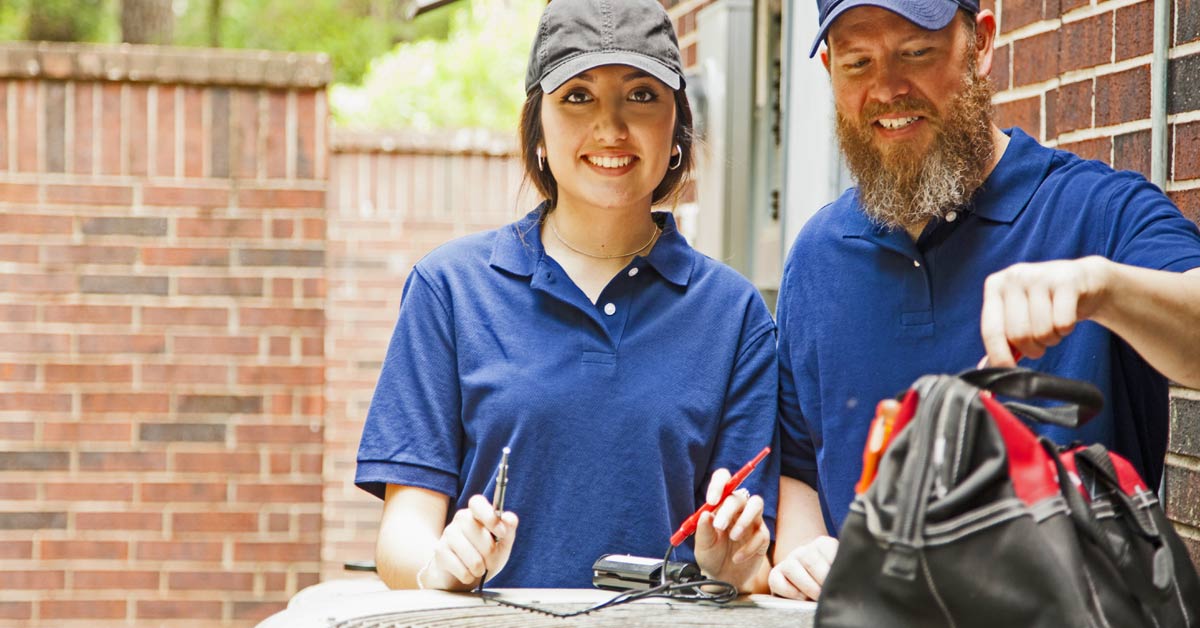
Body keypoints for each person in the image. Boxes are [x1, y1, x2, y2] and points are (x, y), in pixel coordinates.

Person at [769, 0, 1200, 600]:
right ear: (829, 73)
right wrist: (800, 555)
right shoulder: (816, 256)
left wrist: (1105, 288)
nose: (887, 89)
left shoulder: (1098, 212)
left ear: (981, 44)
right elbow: (798, 474)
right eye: (857, 63)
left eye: (916, 52)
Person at [355, 0, 778, 593]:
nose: (611, 127)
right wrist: (440, 564)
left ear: (676, 128)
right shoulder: (449, 290)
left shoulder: (735, 316)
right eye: (577, 96)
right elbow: (403, 537)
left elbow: (751, 559)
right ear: (539, 131)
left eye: (641, 95)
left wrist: (737, 568)